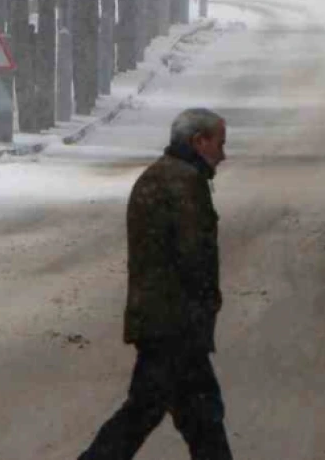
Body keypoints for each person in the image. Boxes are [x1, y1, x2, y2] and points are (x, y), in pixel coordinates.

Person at [78, 108, 233, 460]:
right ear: (199, 141)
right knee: (158, 413)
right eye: (219, 144)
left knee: (194, 416)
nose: (223, 155)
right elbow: (194, 256)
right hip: (174, 324)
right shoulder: (183, 183)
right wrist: (206, 302)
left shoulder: (161, 176)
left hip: (162, 319)